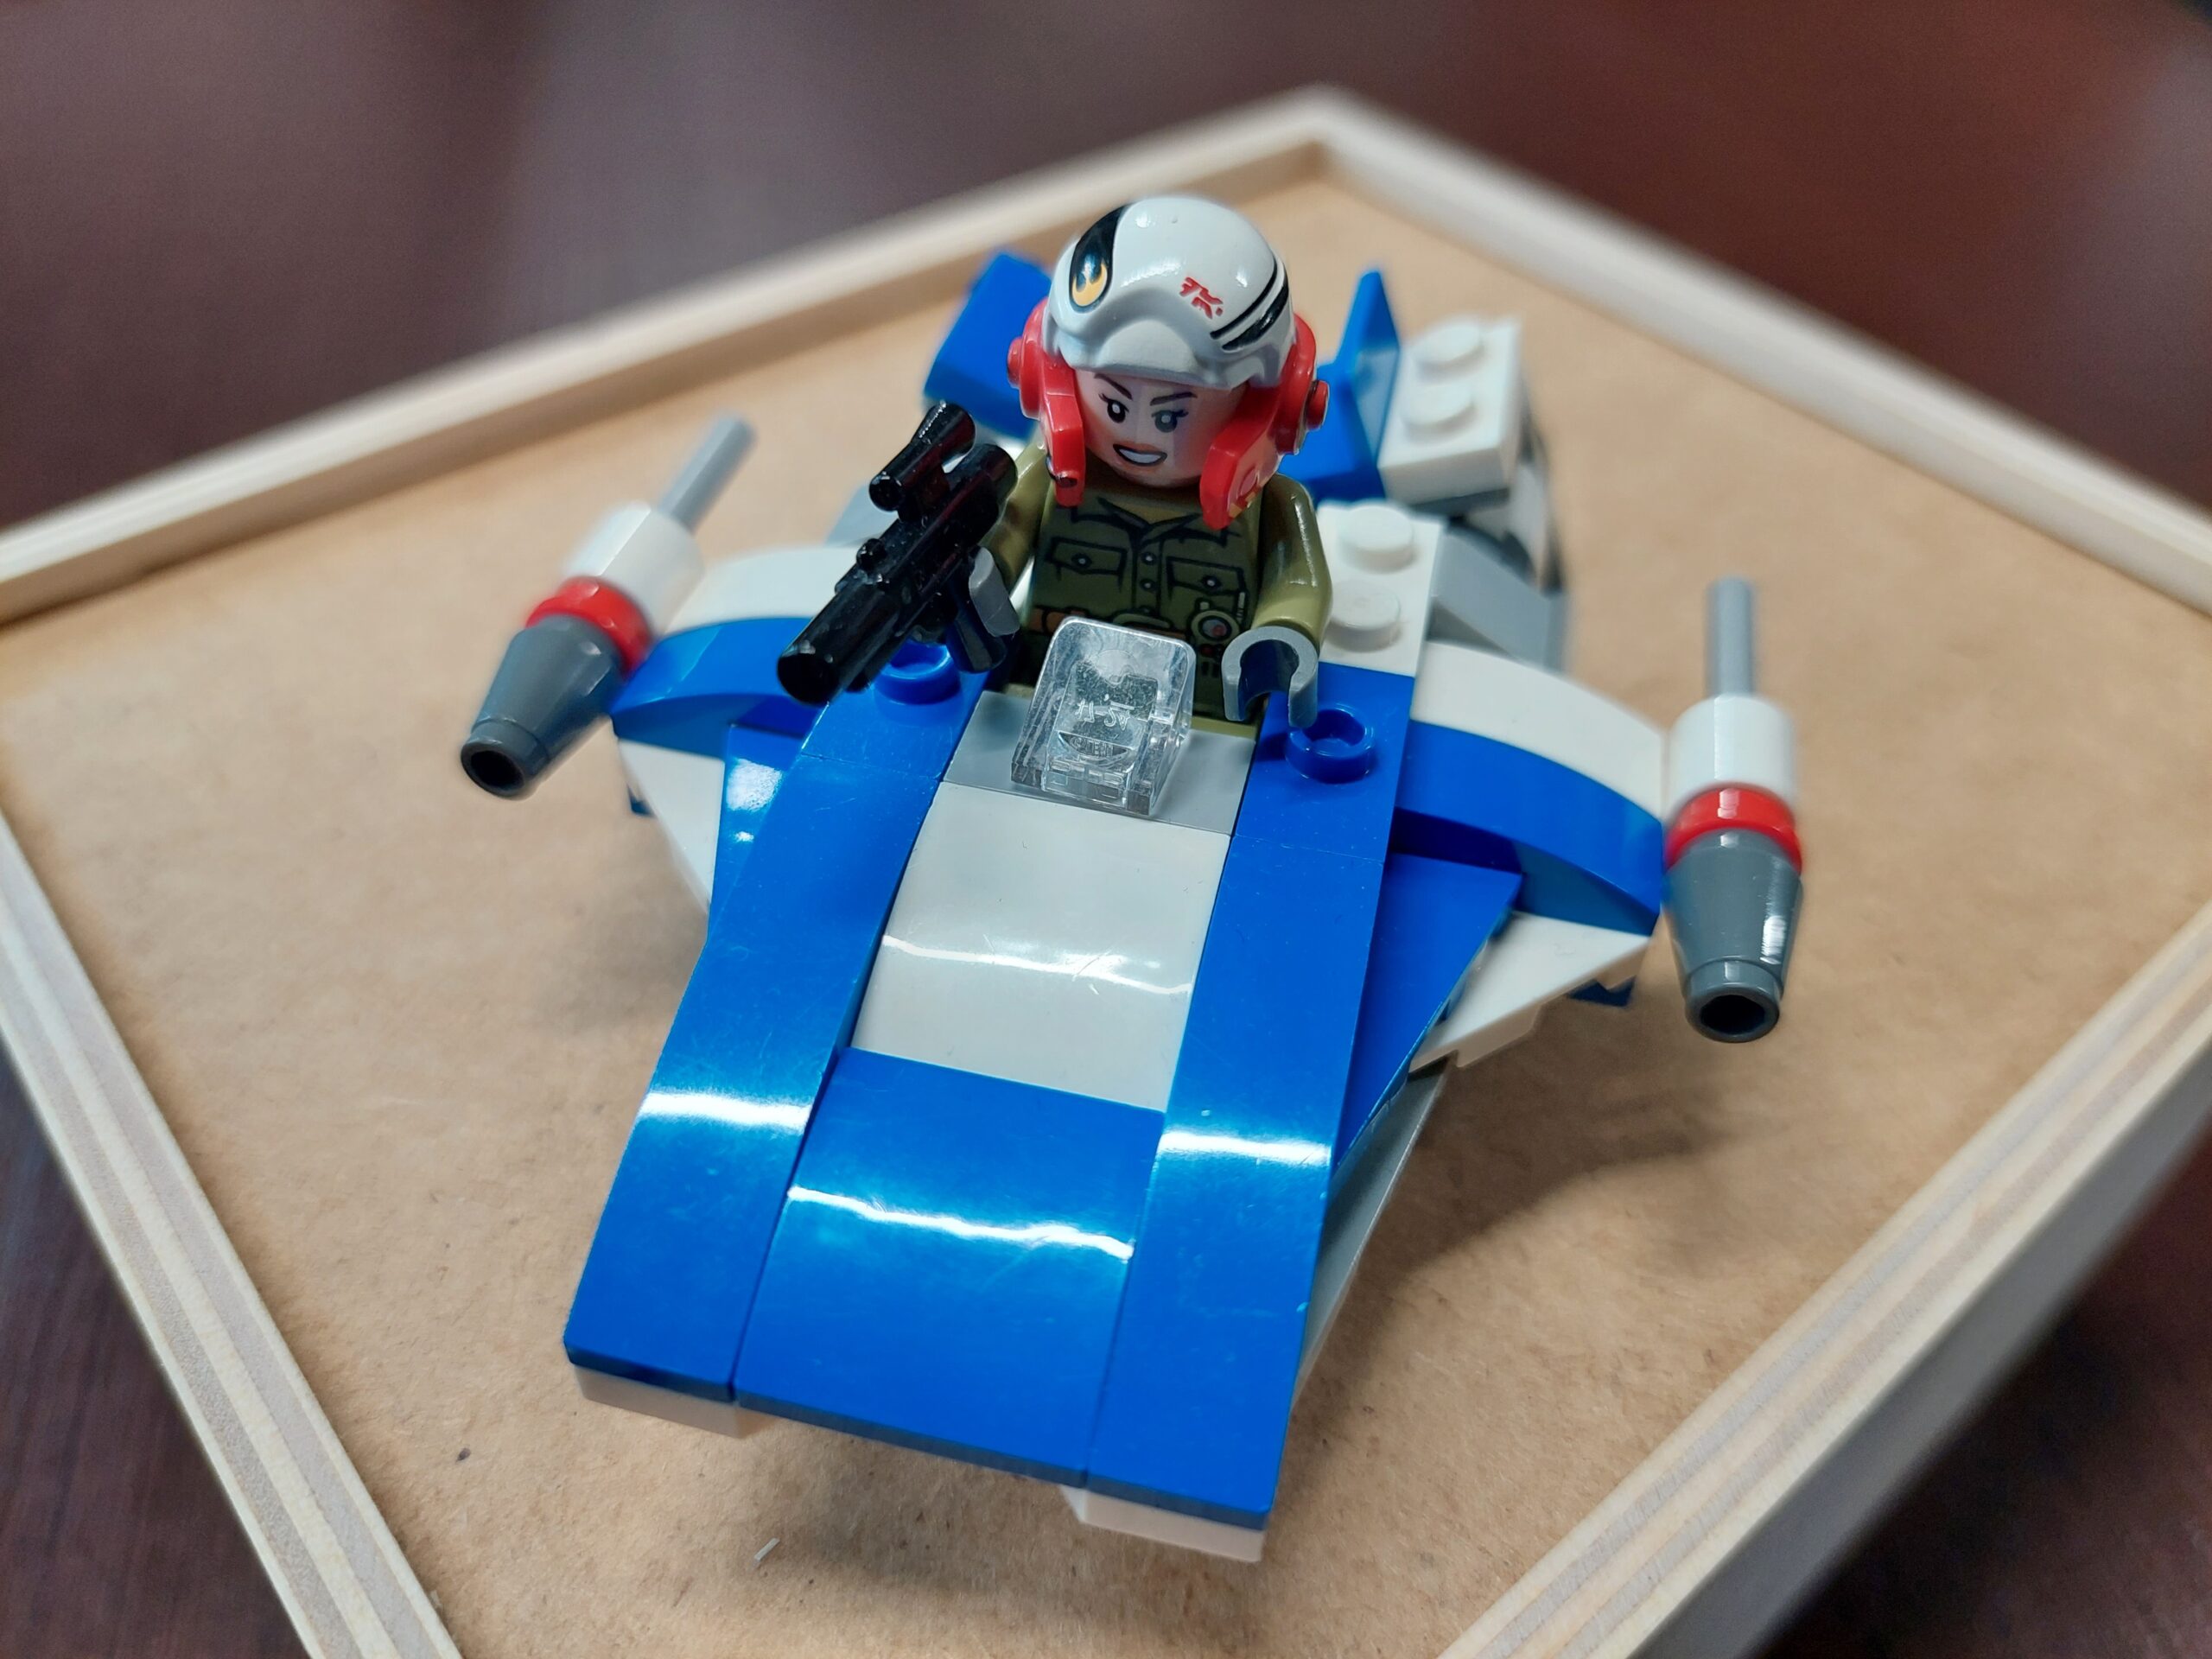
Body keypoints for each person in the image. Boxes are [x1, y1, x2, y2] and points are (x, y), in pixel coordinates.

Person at [988, 196, 1333, 726]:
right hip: (1045, 695)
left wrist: (1282, 634)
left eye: (1172, 415)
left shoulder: (1274, 505)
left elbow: (1299, 583)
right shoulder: (1048, 475)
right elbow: (1006, 532)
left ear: (1277, 407)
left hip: (1207, 714)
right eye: (1115, 406)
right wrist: (982, 571)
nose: (1141, 435)